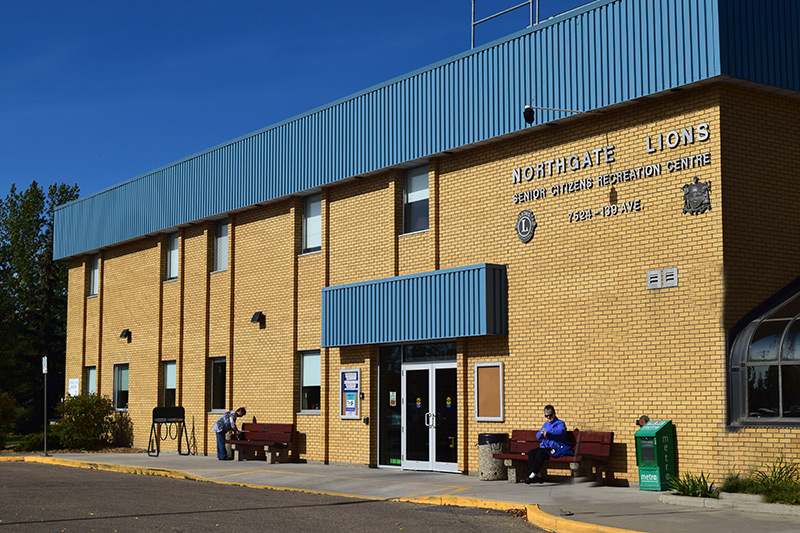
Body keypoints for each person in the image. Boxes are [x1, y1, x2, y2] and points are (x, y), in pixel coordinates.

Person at [523, 404, 573, 484]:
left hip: (554, 448)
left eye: (550, 415)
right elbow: (538, 436)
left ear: (554, 413)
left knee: (540, 453)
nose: (548, 418)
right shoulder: (546, 424)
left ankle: (533, 474)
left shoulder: (560, 423)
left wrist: (548, 432)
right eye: (546, 416)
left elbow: (560, 432)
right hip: (545, 447)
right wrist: (541, 433)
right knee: (531, 452)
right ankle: (538, 475)